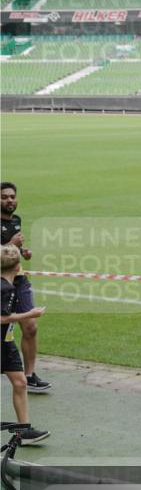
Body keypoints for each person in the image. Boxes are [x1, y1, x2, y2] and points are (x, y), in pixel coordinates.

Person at [0, 182, 52, 393]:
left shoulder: (16, 220)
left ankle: (29, 375)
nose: (9, 200)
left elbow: (12, 251)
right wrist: (11, 244)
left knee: (31, 327)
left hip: (19, 279)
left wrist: (23, 251)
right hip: (2, 283)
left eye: (12, 196)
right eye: (4, 197)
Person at [1, 245, 49, 444]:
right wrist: (31, 314)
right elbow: (2, 318)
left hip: (6, 342)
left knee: (20, 383)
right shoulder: (4, 289)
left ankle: (23, 431)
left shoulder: (8, 287)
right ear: (18, 266)